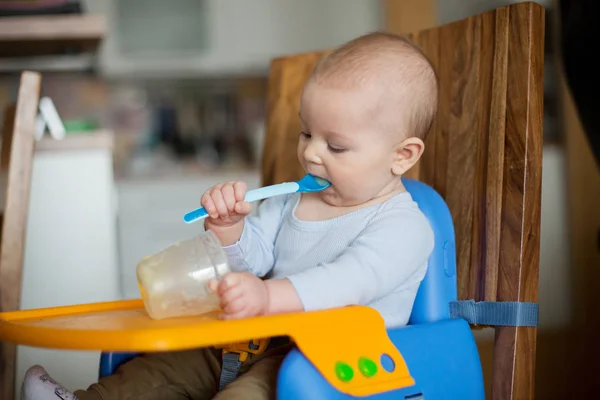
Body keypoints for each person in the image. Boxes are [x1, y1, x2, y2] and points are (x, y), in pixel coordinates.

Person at [21, 31, 438, 400]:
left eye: (337, 146)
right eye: (307, 134)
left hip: (326, 361)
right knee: (162, 368)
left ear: (402, 155)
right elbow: (253, 260)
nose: (310, 153)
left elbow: (348, 282)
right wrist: (230, 229)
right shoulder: (292, 201)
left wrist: (268, 297)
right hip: (252, 337)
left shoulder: (404, 226)